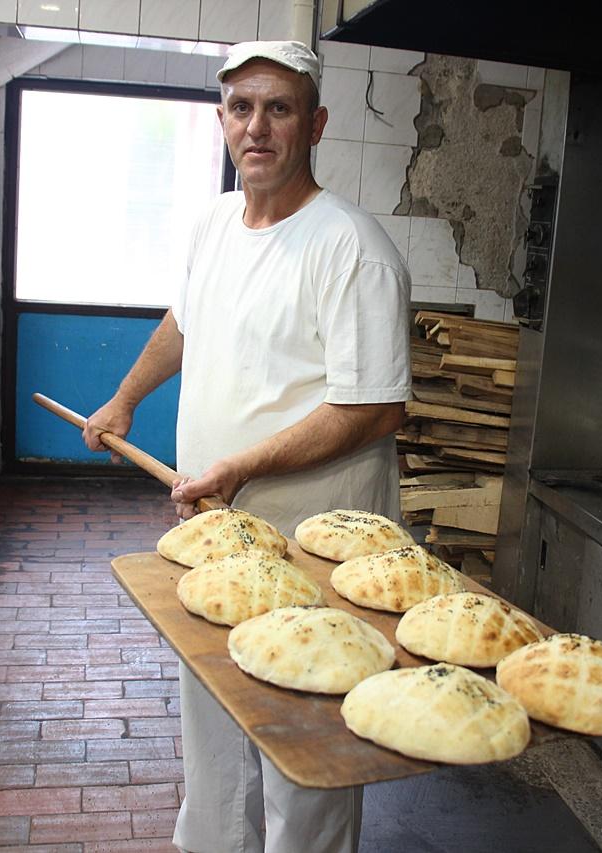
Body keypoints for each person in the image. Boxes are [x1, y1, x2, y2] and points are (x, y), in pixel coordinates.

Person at [83, 39, 411, 853]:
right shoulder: (213, 224)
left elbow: (371, 408)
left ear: (316, 123)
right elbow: (185, 324)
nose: (256, 127)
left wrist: (241, 465)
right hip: (218, 537)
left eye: (279, 107)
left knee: (307, 736)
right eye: (241, 107)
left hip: (310, 545)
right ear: (221, 120)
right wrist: (125, 397)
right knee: (218, 714)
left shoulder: (352, 247)